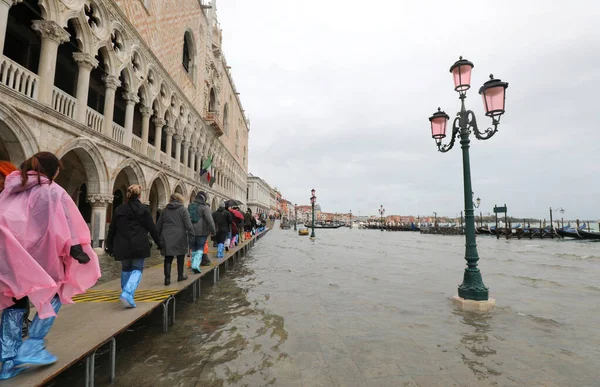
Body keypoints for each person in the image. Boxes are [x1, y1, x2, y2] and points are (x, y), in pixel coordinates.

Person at [0, 152, 100, 379]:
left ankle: (7, 362)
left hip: (13, 258)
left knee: (14, 304)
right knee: (54, 295)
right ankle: (33, 345)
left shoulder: (11, 189)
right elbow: (67, 222)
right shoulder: (53, 191)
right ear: (52, 170)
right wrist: (76, 249)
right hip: (42, 256)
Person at [105, 184, 161, 308]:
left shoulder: (119, 209)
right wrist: (160, 244)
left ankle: (126, 293)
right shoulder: (144, 209)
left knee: (126, 269)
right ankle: (127, 293)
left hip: (122, 245)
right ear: (140, 195)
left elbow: (112, 229)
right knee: (137, 269)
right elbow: (152, 228)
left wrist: (109, 245)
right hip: (139, 244)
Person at [157, 193, 194, 285]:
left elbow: (158, 226)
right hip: (180, 236)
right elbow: (188, 225)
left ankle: (167, 279)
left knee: (168, 258)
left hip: (166, 236)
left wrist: (158, 239)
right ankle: (180, 276)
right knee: (180, 257)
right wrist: (192, 235)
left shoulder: (164, 210)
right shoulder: (183, 210)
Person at [188, 191, 215, 272]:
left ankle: (193, 263)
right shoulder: (205, 207)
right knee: (200, 247)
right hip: (202, 231)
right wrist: (213, 231)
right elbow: (210, 221)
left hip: (191, 231)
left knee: (193, 248)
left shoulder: (190, 206)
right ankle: (195, 265)